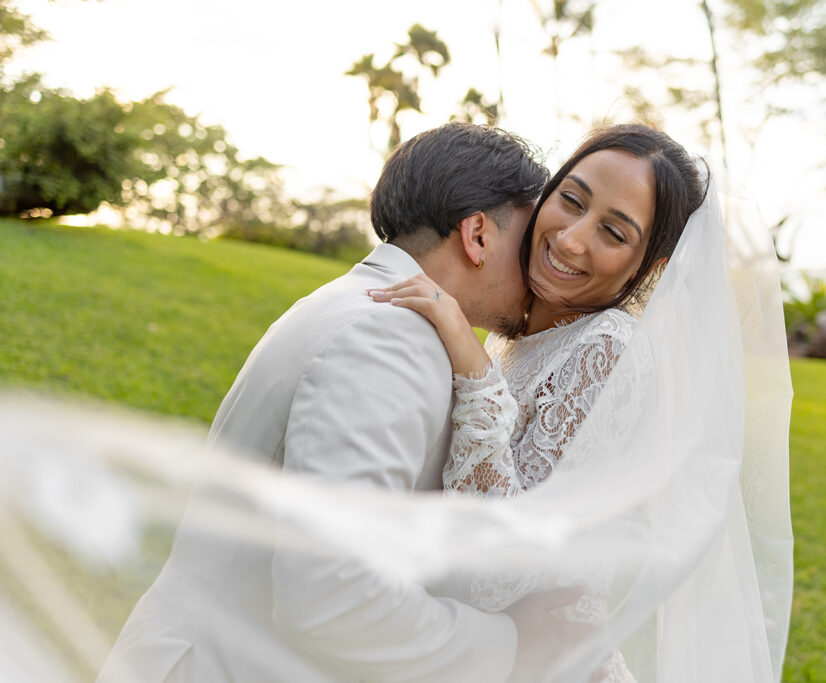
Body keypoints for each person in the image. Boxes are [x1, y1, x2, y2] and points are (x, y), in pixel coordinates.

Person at [96, 122, 589, 683]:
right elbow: (335, 596)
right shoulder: (385, 337)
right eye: (529, 243)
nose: (538, 270)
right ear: (477, 235)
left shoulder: (364, 309)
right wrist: (511, 645)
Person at [370, 124, 794, 681]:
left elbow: (497, 574)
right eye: (571, 200)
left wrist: (471, 369)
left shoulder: (606, 348)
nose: (571, 239)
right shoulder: (522, 332)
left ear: (652, 266)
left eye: (614, 234)